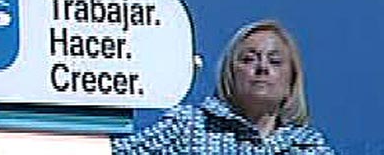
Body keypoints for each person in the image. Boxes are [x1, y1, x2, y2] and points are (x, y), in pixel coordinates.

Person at [112, 20, 335, 154]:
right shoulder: (189, 127)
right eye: (249, 59)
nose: (262, 67)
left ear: (291, 82)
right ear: (230, 74)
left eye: (275, 61)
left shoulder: (307, 147)